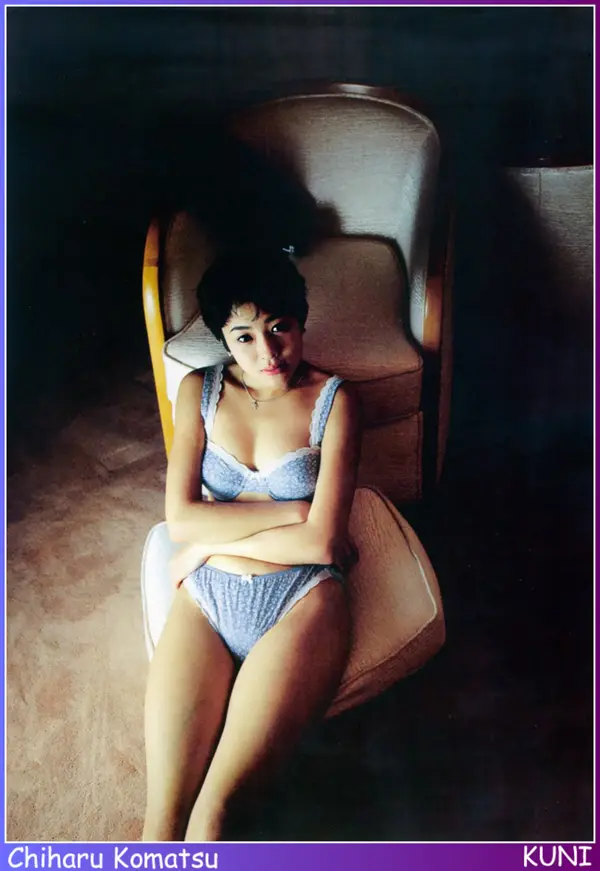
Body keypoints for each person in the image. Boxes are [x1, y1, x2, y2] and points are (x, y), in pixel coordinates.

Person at [143, 248, 362, 842]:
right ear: (223, 339)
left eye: (278, 327)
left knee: (215, 818)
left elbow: (323, 544)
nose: (267, 352)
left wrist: (209, 542)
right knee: (160, 826)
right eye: (243, 337)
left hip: (300, 602)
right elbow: (179, 520)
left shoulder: (336, 400)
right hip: (207, 602)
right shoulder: (199, 391)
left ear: (300, 320)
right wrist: (291, 511)